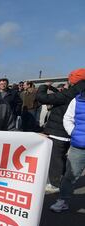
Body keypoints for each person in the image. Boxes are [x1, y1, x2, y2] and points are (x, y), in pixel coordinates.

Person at [36, 77, 80, 194]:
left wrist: (45, 86)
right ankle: (62, 180)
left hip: (58, 131)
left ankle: (55, 184)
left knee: (55, 159)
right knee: (62, 158)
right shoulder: (78, 94)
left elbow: (42, 97)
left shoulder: (67, 95)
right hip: (71, 132)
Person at [49, 69, 85, 212]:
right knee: (70, 176)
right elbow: (68, 118)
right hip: (79, 145)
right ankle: (63, 201)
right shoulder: (77, 100)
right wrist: (74, 133)